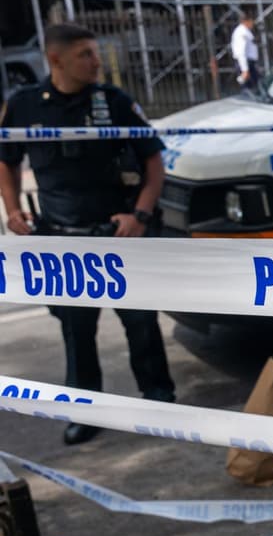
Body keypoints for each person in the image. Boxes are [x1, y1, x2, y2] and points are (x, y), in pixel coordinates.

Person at [0, 23, 176, 445]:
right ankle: (85, 411)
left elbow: (154, 163)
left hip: (120, 238)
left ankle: (160, 402)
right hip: (63, 241)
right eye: (85, 54)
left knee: (142, 324)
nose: (97, 61)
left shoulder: (113, 103)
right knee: (76, 332)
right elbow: (5, 159)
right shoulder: (25, 105)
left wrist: (140, 214)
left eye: (95, 53)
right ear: (56, 59)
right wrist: (11, 209)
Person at [231, 12, 260, 91]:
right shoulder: (241, 33)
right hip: (245, 63)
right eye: (251, 22)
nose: (252, 24)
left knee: (256, 84)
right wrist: (245, 70)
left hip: (249, 63)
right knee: (248, 87)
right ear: (246, 21)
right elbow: (241, 52)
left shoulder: (246, 31)